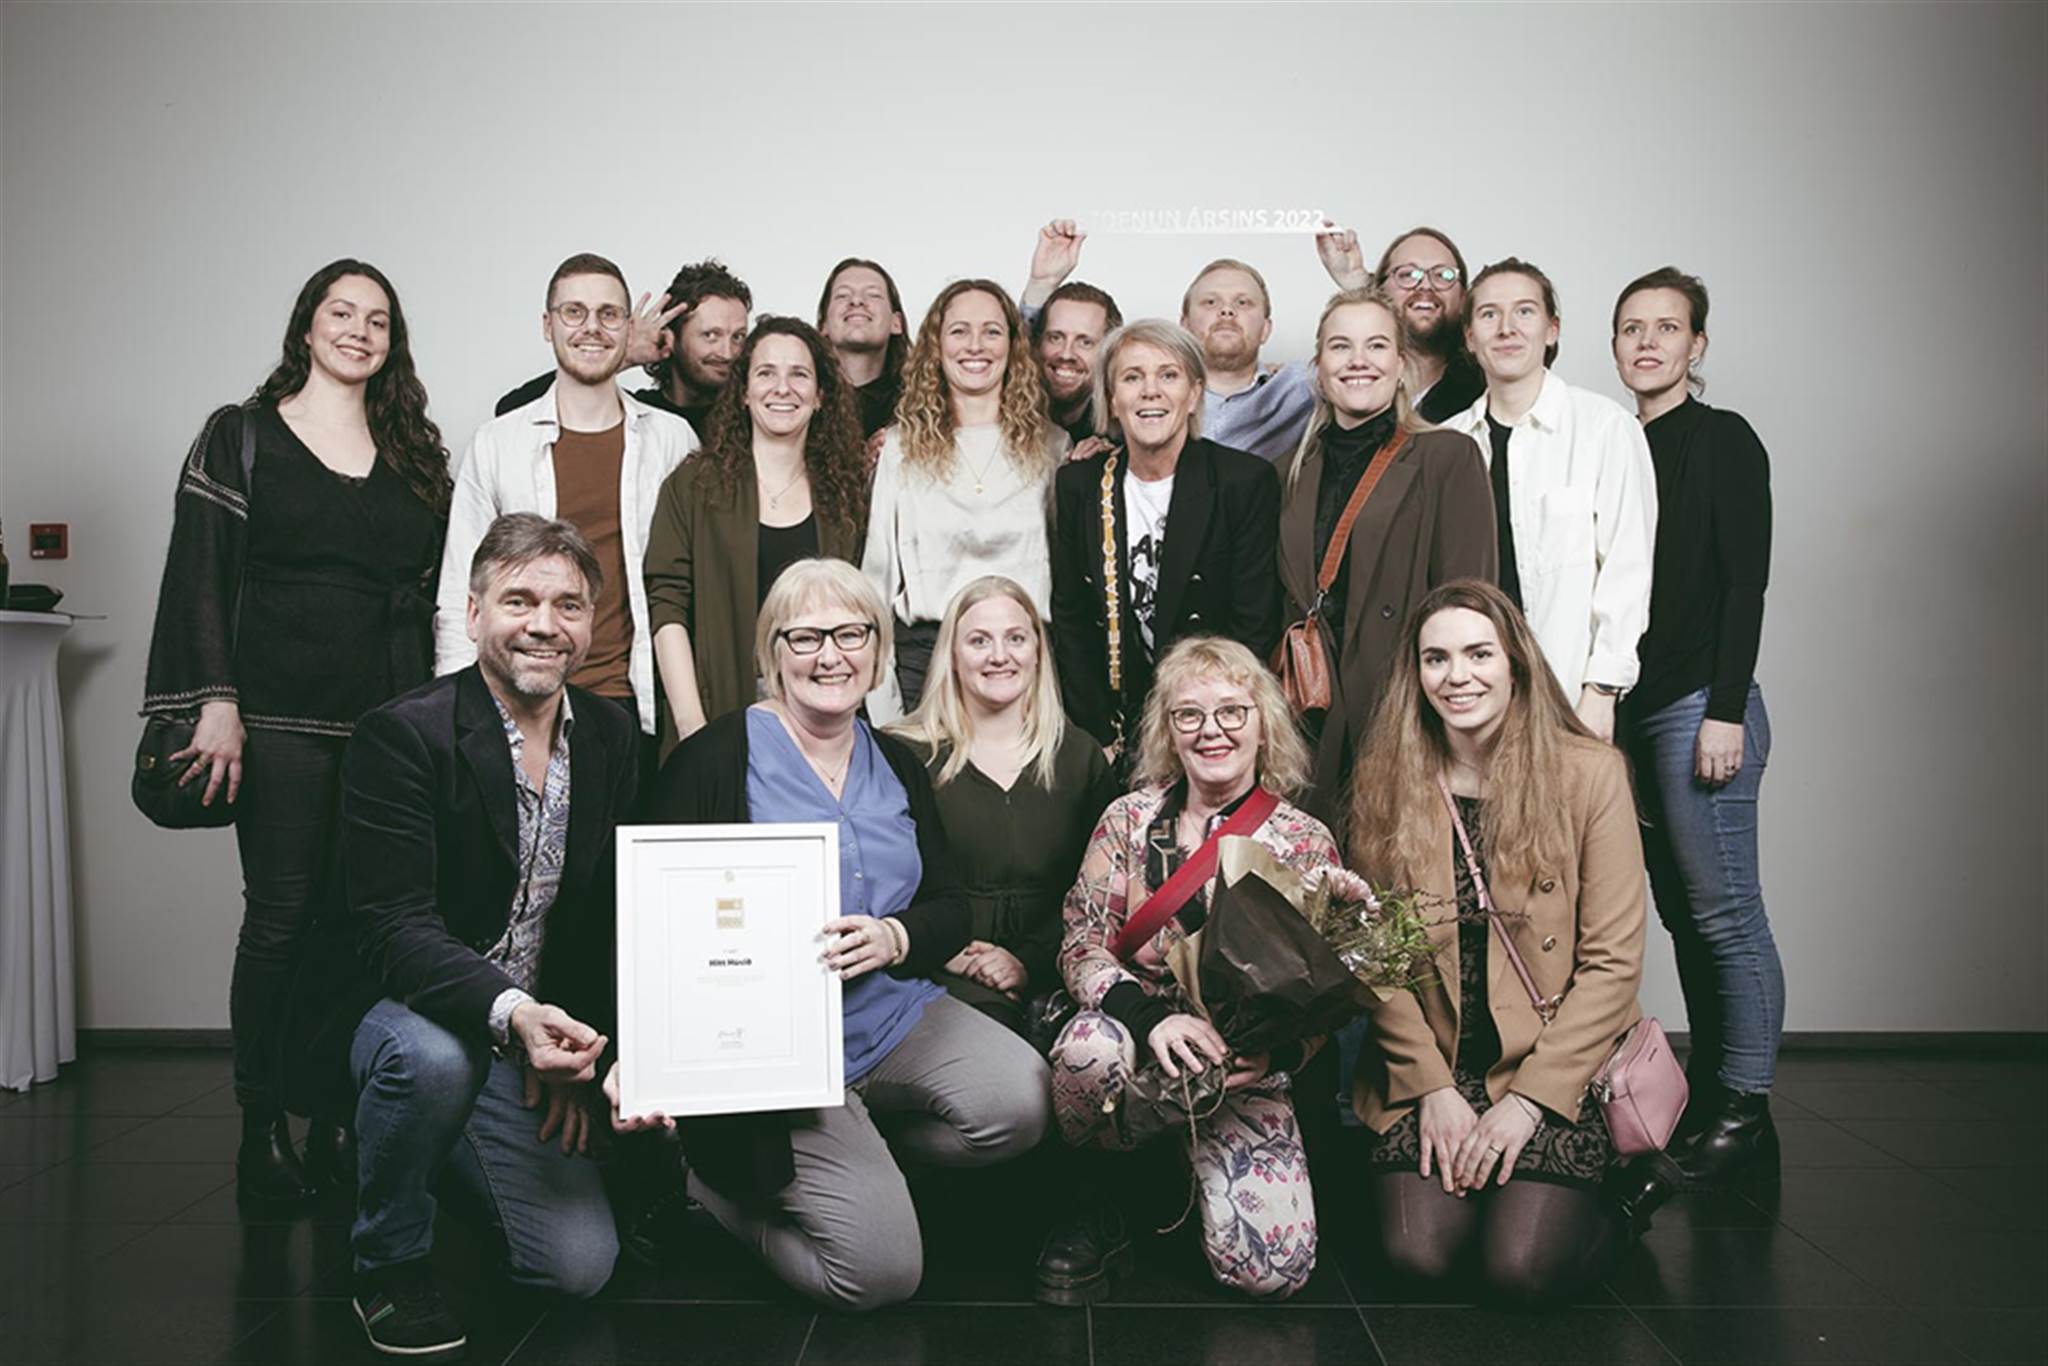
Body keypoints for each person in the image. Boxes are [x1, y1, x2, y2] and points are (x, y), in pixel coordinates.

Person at [288, 514, 653, 1358]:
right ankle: (388, 1260)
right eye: (519, 600)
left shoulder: (611, 737)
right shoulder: (402, 735)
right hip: (405, 1012)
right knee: (431, 1062)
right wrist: (516, 1016)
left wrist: (578, 1055)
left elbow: (607, 917)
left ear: (591, 623)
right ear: (474, 611)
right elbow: (395, 929)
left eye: (568, 605)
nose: (544, 624)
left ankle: (433, 1149)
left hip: (528, 1031)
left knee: (578, 1268)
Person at [646, 558, 1052, 1311]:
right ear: (772, 652)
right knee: (878, 1275)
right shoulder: (714, 759)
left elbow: (949, 905)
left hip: (891, 1016)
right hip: (778, 1047)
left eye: (851, 634)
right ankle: (708, 1189)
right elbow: (653, 920)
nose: (829, 656)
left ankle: (868, 1155)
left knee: (1023, 1101)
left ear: (878, 649)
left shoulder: (895, 760)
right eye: (805, 637)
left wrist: (897, 937)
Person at [142, 258, 449, 1203]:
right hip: (273, 721)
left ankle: (340, 1118)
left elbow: (437, 592)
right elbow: (199, 573)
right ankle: (261, 1126)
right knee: (280, 921)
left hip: (387, 725)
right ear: (307, 327)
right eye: (341, 312)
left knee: (361, 927)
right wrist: (215, 701)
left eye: (378, 319)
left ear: (392, 342)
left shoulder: (412, 453)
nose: (359, 330)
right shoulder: (242, 436)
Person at [1348, 578, 1646, 1307]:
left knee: (1520, 1269)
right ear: (1417, 675)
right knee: (1418, 1255)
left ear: (1516, 662)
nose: (1459, 676)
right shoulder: (1388, 779)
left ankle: (1627, 1203)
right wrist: (1432, 1088)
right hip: (1437, 1064)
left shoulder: (1591, 775)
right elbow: (1373, 957)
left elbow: (1613, 965)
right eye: (1437, 659)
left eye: (1479, 654)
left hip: (1550, 1065)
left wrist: (1530, 1103)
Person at [1045, 636, 1339, 1301]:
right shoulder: (1128, 821)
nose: (1212, 730)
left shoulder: (1303, 841)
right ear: (1168, 731)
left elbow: (1327, 995)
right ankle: (1102, 1191)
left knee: (1274, 1272)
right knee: (1088, 1052)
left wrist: (1278, 1055)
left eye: (1232, 711)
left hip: (1237, 1068)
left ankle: (1182, 1174)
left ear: (1263, 724)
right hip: (1134, 1045)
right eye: (1190, 714)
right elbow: (1081, 945)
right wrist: (1147, 1019)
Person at [1611, 267, 1782, 1183]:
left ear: (1696, 345)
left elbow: (1744, 584)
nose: (1648, 343)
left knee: (1726, 915)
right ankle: (1718, 1100)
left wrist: (1724, 710)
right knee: (1684, 915)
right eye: (1632, 328)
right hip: (1633, 713)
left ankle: (1745, 1110)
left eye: (1667, 328)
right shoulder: (1614, 444)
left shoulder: (1722, 440)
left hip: (1698, 707)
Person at [435, 253, 697, 783]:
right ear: (547, 324)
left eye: (609, 314)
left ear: (628, 329)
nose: (591, 328)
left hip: (636, 705)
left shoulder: (673, 440)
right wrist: (457, 713)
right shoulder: (498, 444)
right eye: (574, 312)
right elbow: (460, 588)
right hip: (521, 699)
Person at [1278, 286, 1497, 827]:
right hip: (1310, 717)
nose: (1358, 361)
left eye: (1376, 346)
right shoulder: (1285, 472)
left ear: (1402, 364)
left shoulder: (1447, 456)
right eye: (1341, 346)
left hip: (1405, 711)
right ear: (1319, 367)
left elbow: (1468, 604)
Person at [886, 575, 1119, 1037]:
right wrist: (941, 948)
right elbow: (879, 879)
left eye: (1015, 638)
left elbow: (1105, 892)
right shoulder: (903, 755)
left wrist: (1026, 961)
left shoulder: (1080, 757)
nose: (999, 655)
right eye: (979, 641)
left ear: (1038, 652)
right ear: (952, 655)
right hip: (939, 972)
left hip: (1057, 969)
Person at [1443, 258, 1657, 741]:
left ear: (1552, 329)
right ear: (1470, 338)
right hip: (1472, 698)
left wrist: (1602, 691)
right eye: (1489, 314)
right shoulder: (1447, 442)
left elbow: (1627, 568)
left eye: (1524, 311)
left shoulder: (1604, 426)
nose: (1507, 328)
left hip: (1571, 694)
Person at [1051, 319, 1281, 764]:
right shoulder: (1080, 485)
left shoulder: (1243, 482)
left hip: (1213, 721)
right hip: (1114, 726)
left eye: (1168, 375)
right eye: (1132, 377)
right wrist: (1097, 733)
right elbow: (1072, 617)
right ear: (1111, 399)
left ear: (1194, 394)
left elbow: (1254, 624)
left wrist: (1206, 725)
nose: (1150, 391)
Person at [643, 316, 870, 758]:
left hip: (825, 725)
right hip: (716, 716)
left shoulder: (844, 496)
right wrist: (693, 728)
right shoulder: (693, 486)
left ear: (820, 396)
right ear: (744, 392)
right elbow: (667, 606)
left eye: (799, 374)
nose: (782, 388)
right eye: (766, 373)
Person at [861, 279, 1067, 720]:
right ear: (936, 346)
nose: (976, 345)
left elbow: (1071, 584)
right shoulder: (899, 449)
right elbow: (875, 585)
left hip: (1025, 663)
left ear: (1013, 346)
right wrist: (885, 712)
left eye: (991, 331)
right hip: (924, 665)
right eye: (959, 331)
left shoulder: (1054, 447)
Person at [1021, 221, 1361, 462]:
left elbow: (1381, 361)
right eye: (1210, 302)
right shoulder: (1144, 391)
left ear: (1266, 329)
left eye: (1243, 303)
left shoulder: (1301, 389)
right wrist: (1041, 286)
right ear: (1183, 325)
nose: (1226, 311)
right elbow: (1016, 375)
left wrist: (1356, 283)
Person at [494, 258, 752, 438]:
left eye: (738, 337)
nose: (728, 353)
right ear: (669, 337)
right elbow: (513, 410)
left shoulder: (754, 417)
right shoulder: (639, 414)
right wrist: (623, 355)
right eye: (710, 335)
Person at [1320, 226, 1489, 424]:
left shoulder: (1488, 386)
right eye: (1407, 274)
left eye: (1444, 275)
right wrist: (1360, 285)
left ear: (1463, 299)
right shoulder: (1346, 379)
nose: (1426, 285)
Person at [1016, 219, 1124, 445]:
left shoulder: (1122, 431)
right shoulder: (1003, 408)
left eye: (1085, 342)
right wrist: (1041, 284)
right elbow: (1012, 354)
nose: (1066, 353)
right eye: (1055, 337)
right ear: (1037, 342)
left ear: (1110, 355)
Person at [817, 257, 910, 439]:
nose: (857, 301)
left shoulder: (919, 402)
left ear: (896, 323)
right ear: (824, 324)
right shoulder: (801, 396)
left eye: (873, 295)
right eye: (842, 295)